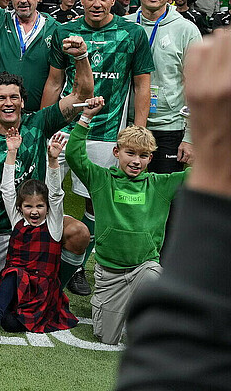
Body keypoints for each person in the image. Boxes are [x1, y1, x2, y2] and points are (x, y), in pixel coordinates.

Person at [115, 20, 231, 390]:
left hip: (178, 132)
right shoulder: (131, 26)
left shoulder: (186, 28)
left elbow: (178, 368)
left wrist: (216, 162)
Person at [42, 0, 155, 296]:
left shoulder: (131, 35)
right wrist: (42, 122)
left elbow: (142, 86)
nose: (96, 3)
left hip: (107, 134)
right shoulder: (65, 31)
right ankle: (41, 255)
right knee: (44, 192)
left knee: (95, 203)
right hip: (64, 127)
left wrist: (139, 131)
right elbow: (53, 81)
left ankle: (76, 266)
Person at [0, 63, 95, 306]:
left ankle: (54, 288)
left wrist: (81, 56)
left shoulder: (38, 122)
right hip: (1, 226)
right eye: (1, 98)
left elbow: (82, 95)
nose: (9, 103)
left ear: (22, 102)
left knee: (79, 234)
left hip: (40, 222)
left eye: (14, 97)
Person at [68, 98, 189, 344]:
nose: (136, 161)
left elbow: (200, 174)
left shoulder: (160, 185)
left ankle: (147, 320)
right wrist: (86, 118)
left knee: (154, 278)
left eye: (143, 156)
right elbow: (74, 155)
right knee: (106, 338)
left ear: (151, 158)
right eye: (130, 153)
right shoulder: (101, 179)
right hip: (109, 274)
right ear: (117, 152)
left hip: (143, 268)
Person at [0, 129, 80, 352]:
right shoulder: (17, 219)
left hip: (40, 296)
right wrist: (11, 152)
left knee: (13, 323)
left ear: (47, 208)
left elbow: (56, 194)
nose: (34, 212)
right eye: (29, 206)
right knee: (13, 274)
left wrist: (53, 161)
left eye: (40, 206)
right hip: (16, 287)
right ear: (20, 207)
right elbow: (7, 189)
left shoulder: (53, 225)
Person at [125, 0, 200, 175]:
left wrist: (190, 138)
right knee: (129, 198)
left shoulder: (186, 30)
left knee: (166, 201)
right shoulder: (124, 26)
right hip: (128, 125)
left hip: (170, 128)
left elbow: (197, 86)